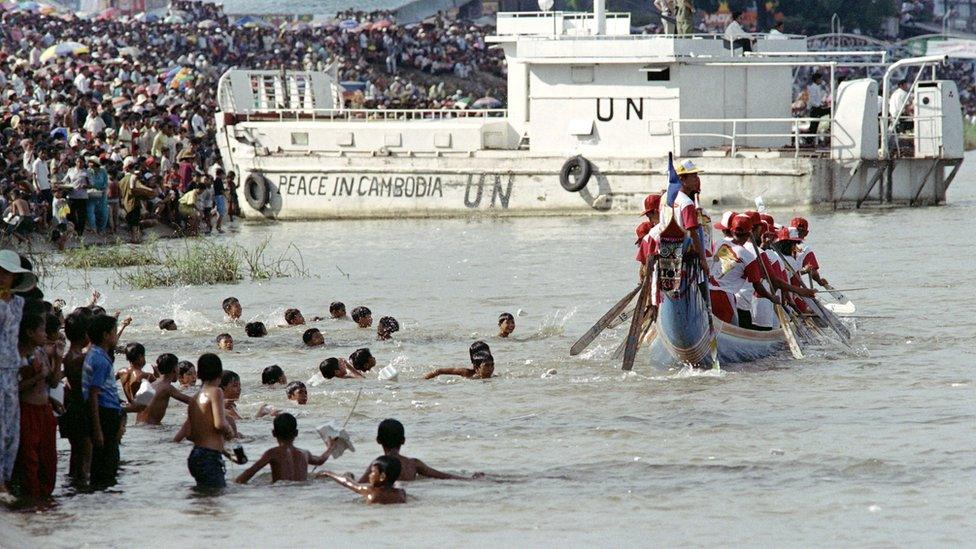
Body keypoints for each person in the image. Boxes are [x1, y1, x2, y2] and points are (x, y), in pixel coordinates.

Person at [13, 312, 58, 501]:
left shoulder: (41, 352)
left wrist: (58, 357)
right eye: (41, 330)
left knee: (49, 459)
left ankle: (45, 500)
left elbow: (54, 382)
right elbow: (14, 388)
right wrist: (37, 377)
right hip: (28, 410)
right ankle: (32, 502)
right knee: (30, 460)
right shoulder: (19, 354)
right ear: (30, 332)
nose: (45, 334)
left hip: (45, 409)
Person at [357, 419, 481, 482]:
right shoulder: (413, 464)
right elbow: (444, 476)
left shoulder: (378, 465)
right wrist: (469, 479)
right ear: (403, 440)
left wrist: (348, 476)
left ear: (378, 440)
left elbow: (359, 484)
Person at [82, 314, 124, 488]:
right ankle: (105, 501)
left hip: (105, 412)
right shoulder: (100, 359)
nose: (116, 335)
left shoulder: (95, 354)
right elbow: (93, 394)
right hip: (104, 414)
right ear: (106, 335)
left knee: (104, 462)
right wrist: (98, 429)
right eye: (114, 332)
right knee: (107, 462)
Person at [0, 251, 30, 493]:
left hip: (12, 369)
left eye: (7, 274)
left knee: (12, 428)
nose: (2, 277)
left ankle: (6, 478)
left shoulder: (19, 303)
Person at [235, 413, 336, 484]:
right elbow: (320, 460)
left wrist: (235, 484)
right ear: (296, 433)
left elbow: (249, 473)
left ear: (273, 433)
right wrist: (330, 447)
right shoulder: (305, 453)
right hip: (302, 491)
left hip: (282, 491)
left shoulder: (272, 453)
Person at [186, 353, 234, 490]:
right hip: (209, 457)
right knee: (216, 501)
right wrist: (229, 430)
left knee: (204, 500)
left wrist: (225, 452)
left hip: (195, 456)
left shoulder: (194, 398)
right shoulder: (216, 392)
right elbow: (219, 424)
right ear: (220, 373)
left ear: (199, 374)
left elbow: (190, 434)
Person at [58, 309, 91, 481]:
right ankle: (81, 486)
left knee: (76, 453)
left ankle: (74, 484)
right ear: (85, 334)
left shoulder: (68, 356)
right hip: (80, 410)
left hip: (71, 409)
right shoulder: (80, 358)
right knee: (85, 454)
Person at [662, 160, 710, 275]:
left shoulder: (664, 198)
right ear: (682, 179)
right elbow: (693, 232)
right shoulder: (686, 202)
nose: (696, 179)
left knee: (670, 290)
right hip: (684, 255)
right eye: (693, 176)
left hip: (666, 251)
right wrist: (703, 260)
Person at [318, 455, 406, 504]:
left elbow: (346, 481)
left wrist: (328, 473)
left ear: (382, 476)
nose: (370, 475)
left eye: (372, 472)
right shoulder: (401, 493)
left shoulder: (370, 490)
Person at [136, 354, 192, 425]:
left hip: (139, 426)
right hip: (151, 429)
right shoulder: (167, 387)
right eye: (178, 367)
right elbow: (191, 401)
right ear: (175, 369)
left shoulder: (151, 384)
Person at [790, 217, 829, 287]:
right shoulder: (805, 249)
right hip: (793, 290)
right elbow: (813, 272)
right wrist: (819, 281)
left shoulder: (778, 244)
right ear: (806, 233)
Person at [424, 351, 494, 380]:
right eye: (486, 366)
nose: (490, 368)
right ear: (477, 368)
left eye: (492, 365)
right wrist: (423, 380)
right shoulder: (467, 373)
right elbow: (438, 371)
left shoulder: (495, 378)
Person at [806, 73, 829, 140]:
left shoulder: (817, 87)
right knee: (813, 127)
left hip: (817, 108)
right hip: (815, 109)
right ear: (817, 79)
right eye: (821, 79)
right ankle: (808, 141)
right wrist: (818, 105)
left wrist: (821, 104)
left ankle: (809, 141)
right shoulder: (813, 88)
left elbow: (817, 99)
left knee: (814, 127)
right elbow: (812, 100)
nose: (821, 80)